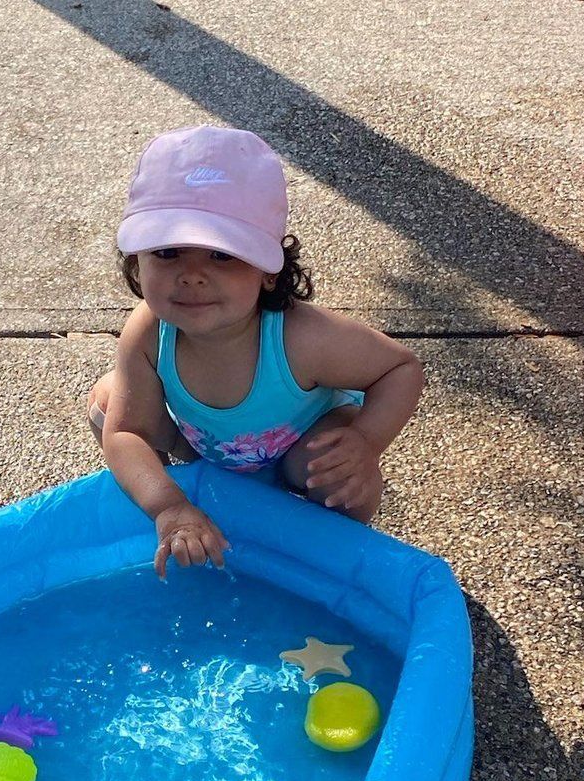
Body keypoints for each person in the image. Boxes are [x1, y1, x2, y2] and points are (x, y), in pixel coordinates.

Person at [88, 125, 423, 579]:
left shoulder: (301, 336)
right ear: (137, 261)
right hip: (202, 444)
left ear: (268, 270)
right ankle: (189, 505)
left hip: (295, 450)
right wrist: (168, 506)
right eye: (167, 251)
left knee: (335, 469)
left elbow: (400, 368)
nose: (191, 275)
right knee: (108, 403)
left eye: (222, 255)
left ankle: (337, 551)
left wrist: (366, 442)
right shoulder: (149, 330)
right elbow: (127, 433)